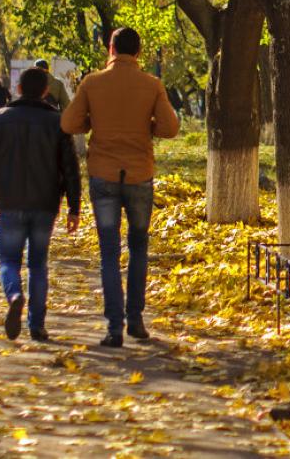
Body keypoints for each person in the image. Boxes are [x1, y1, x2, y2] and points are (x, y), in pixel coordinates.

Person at [61, 27, 180, 347]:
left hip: (104, 176)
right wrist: (146, 126)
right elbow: (169, 128)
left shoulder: (92, 82)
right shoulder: (152, 85)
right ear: (138, 52)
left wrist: (93, 122)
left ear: (110, 49)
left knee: (109, 252)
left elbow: (68, 124)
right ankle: (136, 320)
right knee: (139, 247)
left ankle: (114, 327)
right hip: (140, 175)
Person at [0, 67, 81, 342]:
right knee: (38, 264)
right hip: (45, 203)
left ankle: (14, 294)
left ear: (18, 89)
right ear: (46, 91)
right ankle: (37, 325)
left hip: (9, 201)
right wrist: (74, 207)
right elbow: (70, 167)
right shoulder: (57, 122)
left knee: (8, 259)